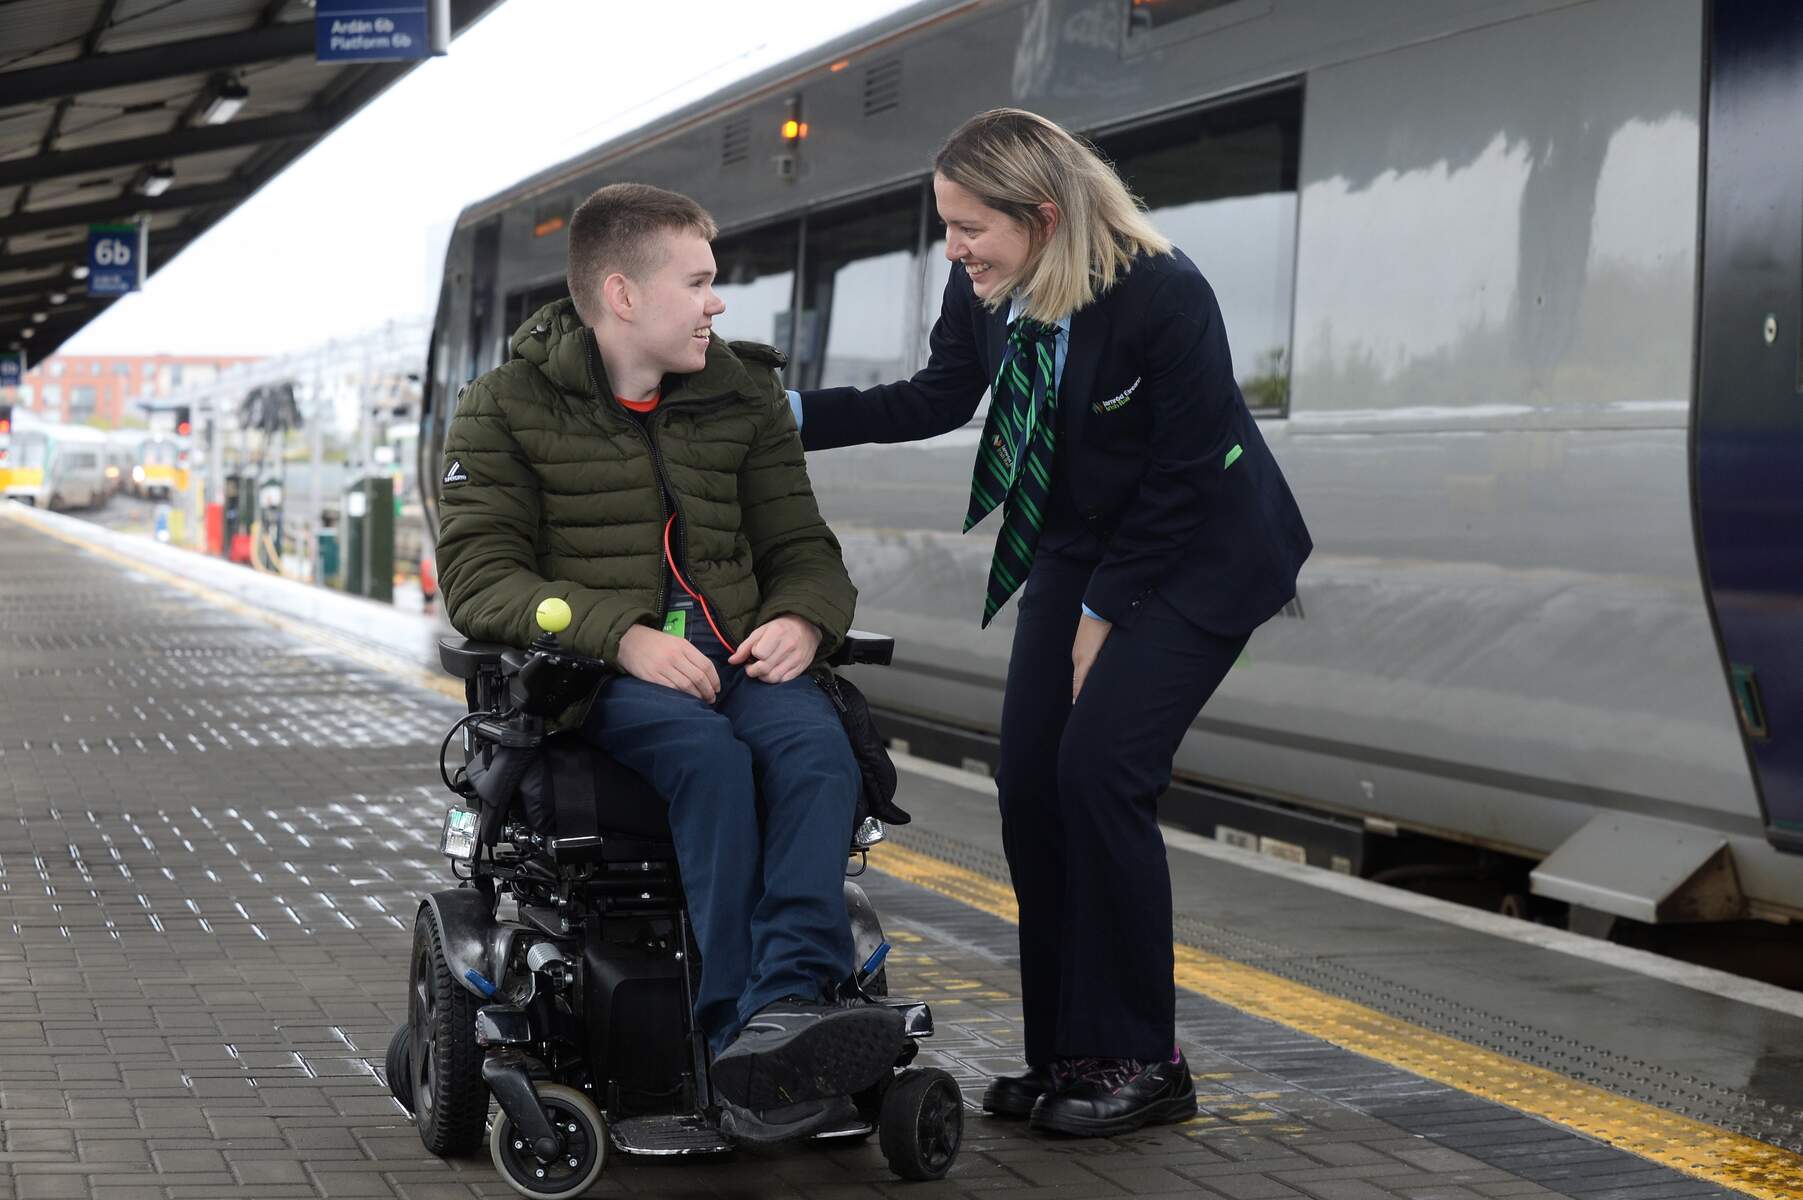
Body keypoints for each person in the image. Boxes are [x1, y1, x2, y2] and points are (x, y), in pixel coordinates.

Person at [787, 109, 1313, 1137]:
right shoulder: (990, 283)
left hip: (1204, 549)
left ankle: (1143, 1060)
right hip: (1082, 542)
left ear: (1040, 215)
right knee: (1030, 784)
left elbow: (1185, 471)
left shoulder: (1163, 292)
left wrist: (1100, 618)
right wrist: (786, 415)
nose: (954, 250)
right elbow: (941, 393)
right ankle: (1068, 1051)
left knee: (1101, 774)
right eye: (946, 227)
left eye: (968, 228)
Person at [434, 182, 903, 1146]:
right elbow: (480, 579)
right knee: (710, 763)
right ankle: (733, 1030)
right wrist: (621, 636)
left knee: (819, 755)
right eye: (698, 283)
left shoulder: (741, 395)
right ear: (622, 294)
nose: (716, 303)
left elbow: (804, 550)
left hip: (740, 657)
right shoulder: (506, 406)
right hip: (598, 679)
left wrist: (805, 622)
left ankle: (785, 1015)